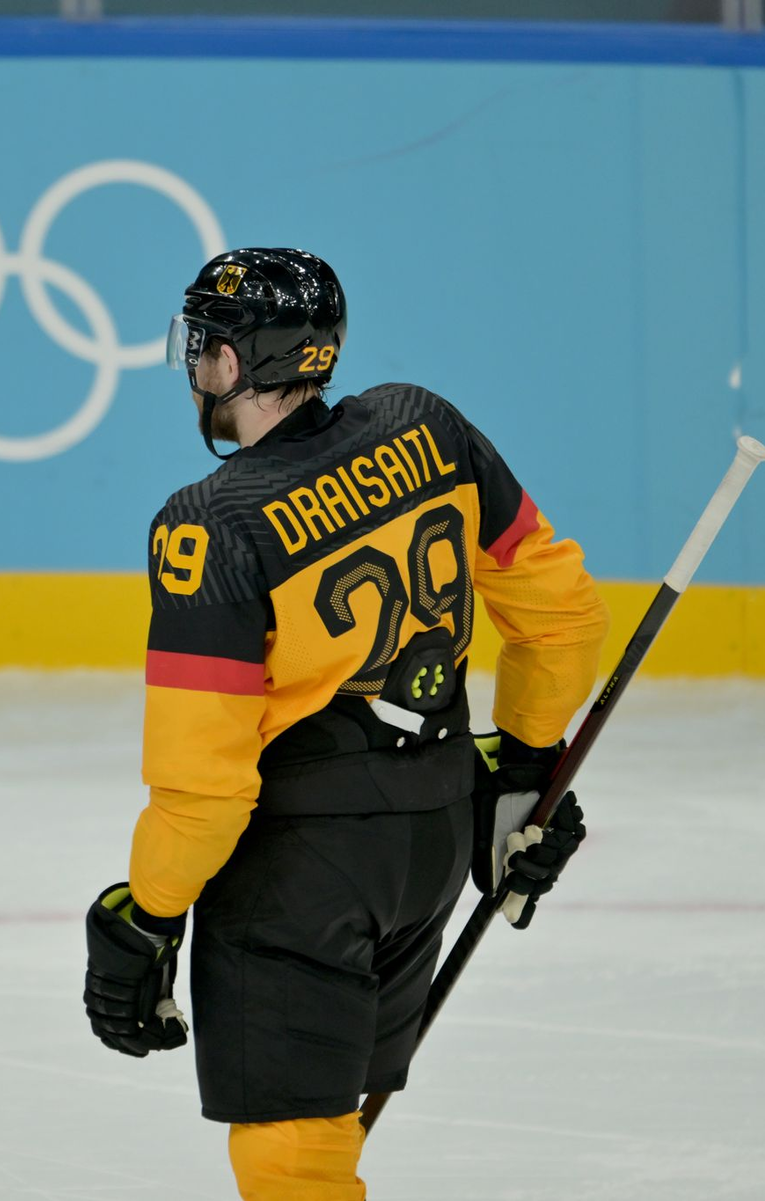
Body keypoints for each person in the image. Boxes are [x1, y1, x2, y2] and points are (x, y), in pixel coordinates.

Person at [83, 248, 609, 1200]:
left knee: (292, 1158)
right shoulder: (426, 426)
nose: (195, 370)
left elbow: (205, 788)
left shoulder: (211, 525)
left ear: (238, 366)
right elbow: (563, 613)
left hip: (303, 874)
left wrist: (149, 914)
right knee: (330, 1130)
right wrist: (525, 759)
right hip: (432, 838)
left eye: (203, 349)